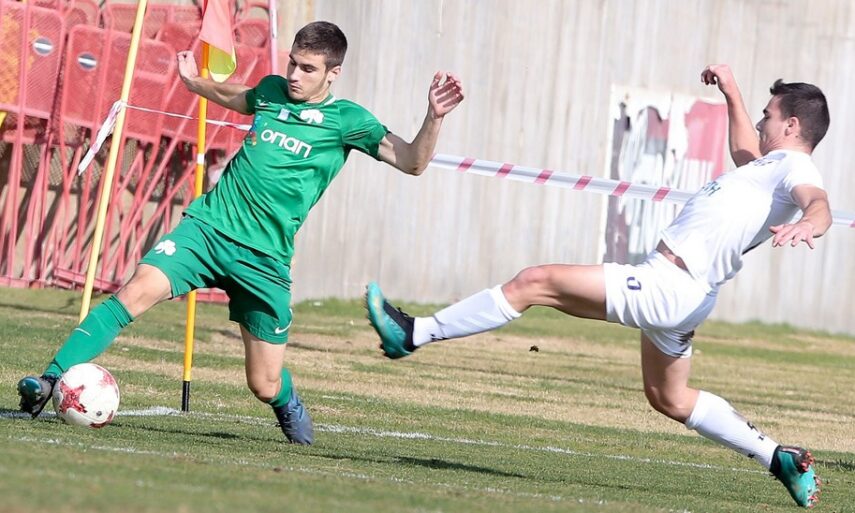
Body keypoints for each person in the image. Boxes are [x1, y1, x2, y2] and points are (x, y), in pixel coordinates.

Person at [365, 64, 829, 507]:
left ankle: (414, 333)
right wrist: (731, 92)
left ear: (791, 125)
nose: (760, 122)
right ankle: (778, 458)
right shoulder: (768, 168)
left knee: (534, 282)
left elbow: (819, 204)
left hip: (669, 285)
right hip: (685, 293)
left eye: (768, 115)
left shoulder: (797, 169)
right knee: (669, 398)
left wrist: (810, 222)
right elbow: (746, 150)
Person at [18, 21, 464, 445]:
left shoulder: (348, 120)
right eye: (293, 63)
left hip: (265, 260)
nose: (294, 75)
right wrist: (194, 84)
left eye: (308, 69)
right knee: (134, 292)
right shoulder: (271, 91)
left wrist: (434, 117)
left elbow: (413, 162)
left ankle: (286, 401)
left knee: (263, 383)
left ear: (333, 73)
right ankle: (50, 379)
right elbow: (237, 96)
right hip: (207, 230)